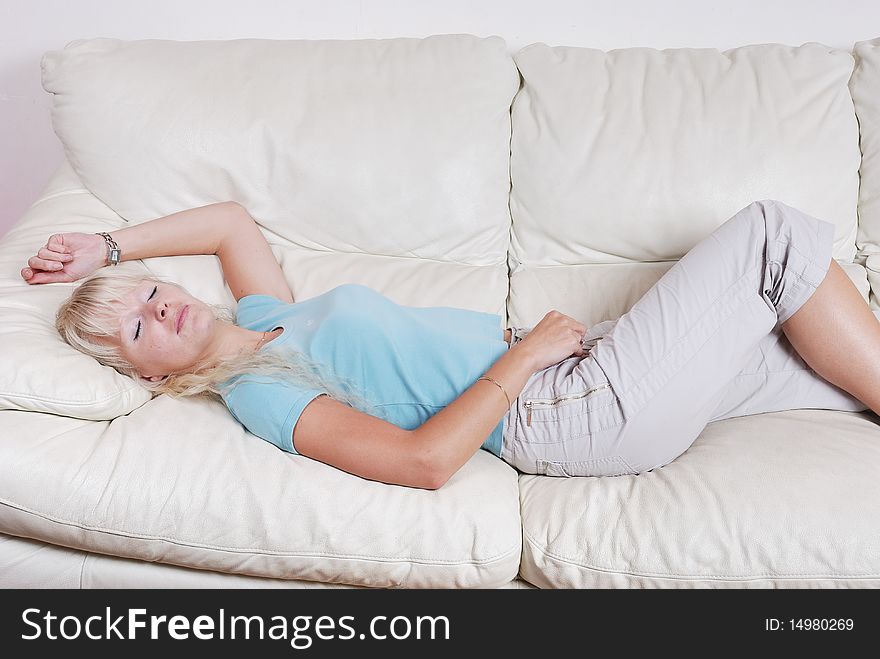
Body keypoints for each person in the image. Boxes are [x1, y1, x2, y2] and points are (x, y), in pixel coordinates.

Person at [22, 200, 880, 488]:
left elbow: (227, 222)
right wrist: (522, 357)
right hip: (562, 407)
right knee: (773, 234)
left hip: (589, 364)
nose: (159, 307)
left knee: (817, 350)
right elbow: (424, 461)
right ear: (145, 373)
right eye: (137, 326)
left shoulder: (265, 312)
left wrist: (105, 250)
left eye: (151, 292)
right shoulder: (259, 392)